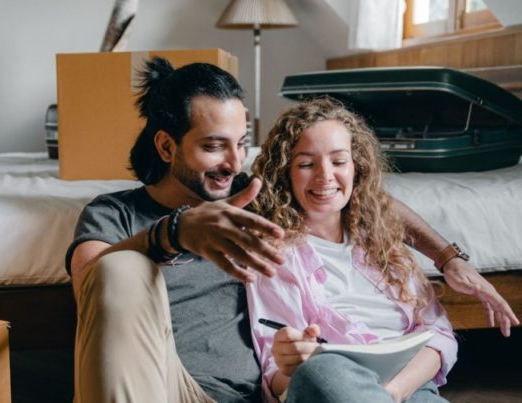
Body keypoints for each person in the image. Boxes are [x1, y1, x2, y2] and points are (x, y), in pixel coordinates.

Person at [66, 57, 519, 402]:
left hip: (255, 394)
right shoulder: (115, 213)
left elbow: (360, 197)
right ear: (166, 145)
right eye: (212, 146)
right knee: (122, 268)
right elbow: (94, 288)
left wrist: (448, 257)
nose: (232, 163)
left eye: (241, 144)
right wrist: (174, 234)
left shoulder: (250, 194)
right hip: (165, 387)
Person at [247, 98, 458, 403]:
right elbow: (277, 378)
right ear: (285, 173)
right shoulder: (273, 255)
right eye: (306, 164)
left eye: (338, 161)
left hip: (407, 386)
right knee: (319, 371)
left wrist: (393, 392)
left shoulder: (384, 241)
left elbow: (440, 335)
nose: (324, 176)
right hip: (334, 387)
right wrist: (291, 361)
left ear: (357, 166)